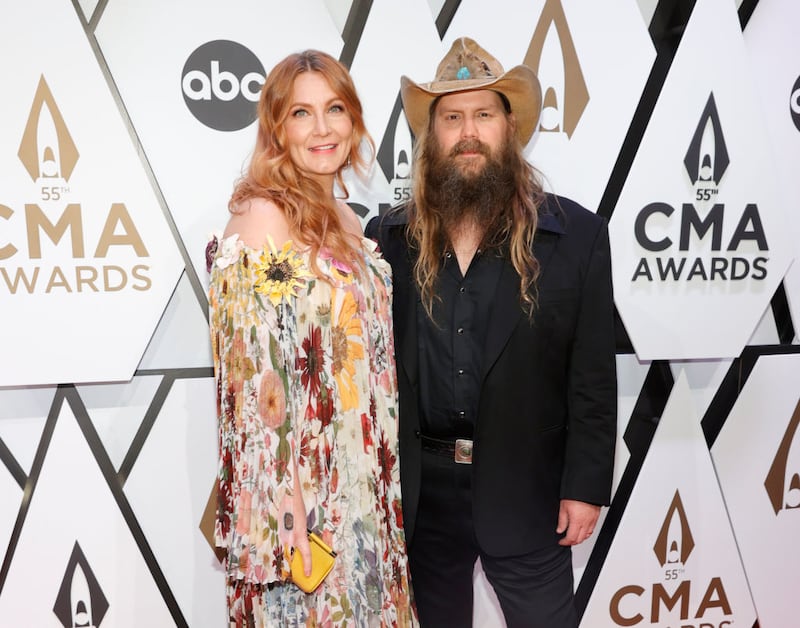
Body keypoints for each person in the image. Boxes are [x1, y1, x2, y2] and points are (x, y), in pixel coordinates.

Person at [365, 37, 617, 627]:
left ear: (510, 127)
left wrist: (585, 485)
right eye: (452, 118)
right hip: (420, 499)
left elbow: (593, 377)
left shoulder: (575, 236)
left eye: (483, 114)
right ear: (433, 135)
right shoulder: (389, 240)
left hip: (529, 490)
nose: (468, 132)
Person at [207, 49, 416, 627]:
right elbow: (253, 380)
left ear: (354, 120)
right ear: (276, 128)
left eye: (335, 109)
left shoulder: (349, 220)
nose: (322, 128)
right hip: (305, 489)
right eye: (301, 113)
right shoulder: (262, 217)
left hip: (364, 481)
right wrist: (284, 510)